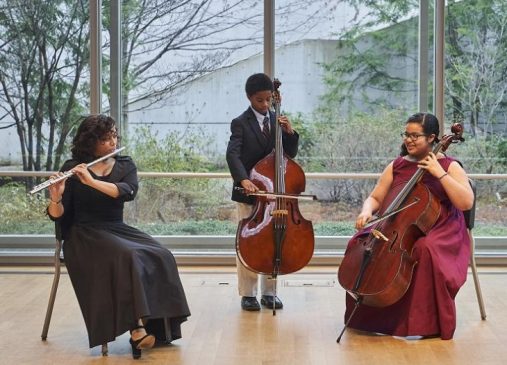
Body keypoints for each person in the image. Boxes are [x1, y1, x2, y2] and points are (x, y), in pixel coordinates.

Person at [46, 115, 190, 358]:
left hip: (116, 228)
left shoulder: (124, 165)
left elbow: (125, 192)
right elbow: (57, 216)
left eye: (114, 136)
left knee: (162, 254)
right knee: (128, 255)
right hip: (83, 235)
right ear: (90, 142)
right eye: (105, 138)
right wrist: (55, 196)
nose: (112, 142)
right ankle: (137, 329)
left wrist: (91, 181)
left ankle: (156, 327)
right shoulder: (72, 167)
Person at [342, 112, 474, 340]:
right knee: (360, 243)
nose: (409, 140)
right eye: (407, 135)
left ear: (432, 138)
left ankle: (423, 324)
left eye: (416, 136)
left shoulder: (450, 166)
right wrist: (366, 211)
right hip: (399, 225)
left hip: (443, 228)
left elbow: (465, 202)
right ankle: (367, 314)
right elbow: (375, 198)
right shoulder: (397, 165)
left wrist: (439, 173)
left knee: (425, 249)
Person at [226, 73, 299, 311]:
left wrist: (290, 132)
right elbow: (233, 155)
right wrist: (243, 179)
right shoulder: (240, 122)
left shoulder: (277, 120)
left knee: (274, 241)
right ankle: (248, 294)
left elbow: (291, 155)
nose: (265, 105)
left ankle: (270, 292)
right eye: (260, 100)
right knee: (247, 243)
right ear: (249, 98)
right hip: (251, 193)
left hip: (274, 194)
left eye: (269, 100)